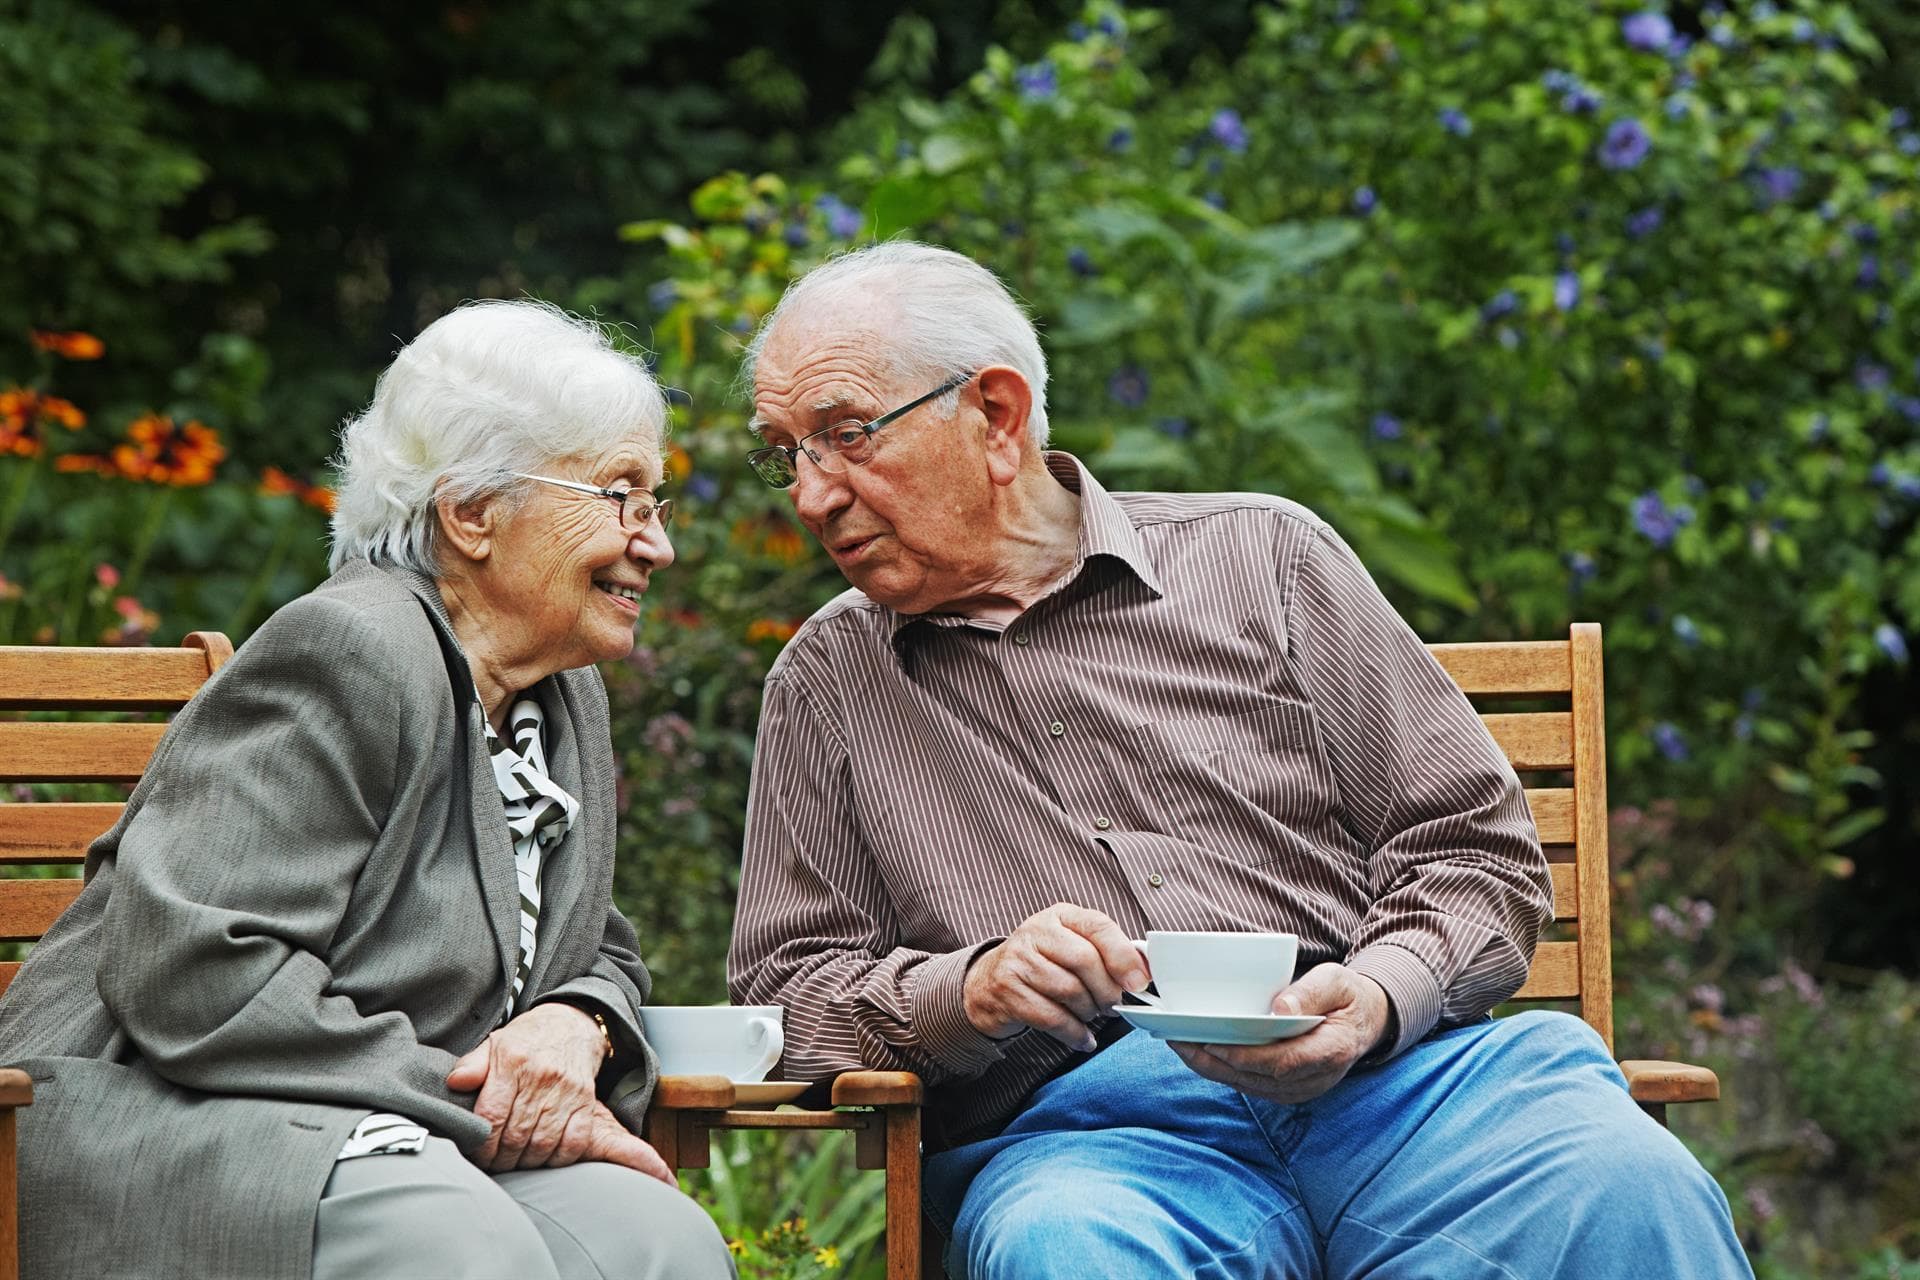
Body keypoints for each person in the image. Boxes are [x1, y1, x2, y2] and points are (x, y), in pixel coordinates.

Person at [726, 242, 1752, 1279]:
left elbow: (1472, 849)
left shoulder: (1266, 558)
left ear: (995, 415)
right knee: (1066, 1249)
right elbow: (784, 997)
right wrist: (972, 988)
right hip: (1100, 1146)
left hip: (1403, 1093)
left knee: (1623, 1177)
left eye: (846, 436)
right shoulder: (828, 682)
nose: (812, 497)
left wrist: (1377, 992)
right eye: (787, 453)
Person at [0, 300, 734, 1280]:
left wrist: (580, 1020)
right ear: (470, 511)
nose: (657, 545)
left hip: (387, 1121)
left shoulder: (559, 694)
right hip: (165, 1114)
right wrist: (472, 1090)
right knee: (458, 1246)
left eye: (655, 503)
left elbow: (591, 936)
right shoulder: (350, 648)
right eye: (617, 495)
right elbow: (196, 964)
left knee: (660, 1241)